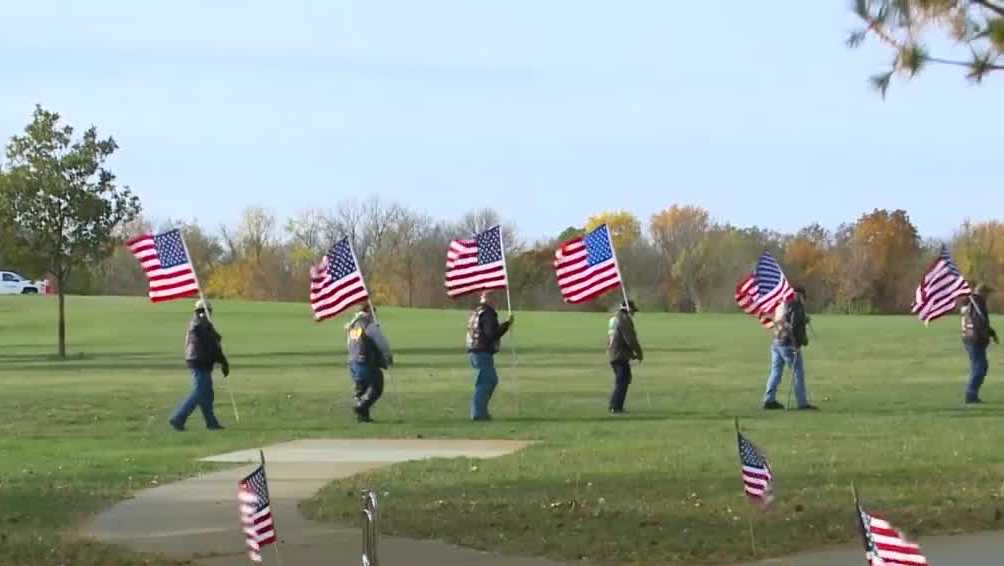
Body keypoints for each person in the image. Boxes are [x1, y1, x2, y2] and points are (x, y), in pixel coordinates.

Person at [170, 299, 229, 431]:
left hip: (202, 361)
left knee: (207, 393)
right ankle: (178, 417)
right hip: (198, 361)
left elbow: (214, 345)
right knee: (200, 391)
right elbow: (213, 346)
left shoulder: (203, 324)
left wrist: (223, 361)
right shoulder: (200, 324)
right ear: (203, 311)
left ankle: (211, 422)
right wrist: (223, 361)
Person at [762, 286, 817, 411]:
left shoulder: (783, 302)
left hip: (777, 342)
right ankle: (802, 403)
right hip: (789, 344)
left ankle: (769, 400)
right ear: (801, 296)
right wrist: (798, 344)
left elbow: (784, 321)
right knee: (798, 373)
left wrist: (804, 320)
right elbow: (794, 327)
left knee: (775, 372)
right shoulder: (797, 305)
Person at [466, 292, 513, 421]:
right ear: (490, 300)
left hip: (475, 351)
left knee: (491, 380)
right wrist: (506, 325)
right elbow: (491, 334)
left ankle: (481, 411)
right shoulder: (488, 313)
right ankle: (478, 413)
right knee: (485, 382)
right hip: (482, 352)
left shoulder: (477, 311)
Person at [345, 303, 394, 422]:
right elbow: (382, 343)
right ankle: (361, 407)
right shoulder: (369, 325)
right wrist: (388, 357)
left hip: (353, 363)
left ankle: (363, 416)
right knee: (377, 386)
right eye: (373, 311)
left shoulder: (353, 325)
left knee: (362, 389)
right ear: (369, 311)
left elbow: (349, 345)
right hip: (365, 362)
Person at [961, 283, 998, 404]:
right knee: (980, 367)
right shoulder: (977, 303)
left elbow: (981, 322)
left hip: (969, 338)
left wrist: (991, 333)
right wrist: (985, 335)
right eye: (987, 293)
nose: (988, 296)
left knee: (979, 366)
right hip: (975, 340)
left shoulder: (970, 303)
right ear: (982, 293)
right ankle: (970, 395)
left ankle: (971, 393)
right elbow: (979, 323)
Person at [607, 299, 644, 414]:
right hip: (619, 355)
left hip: (614, 354)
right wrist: (638, 353)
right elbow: (630, 339)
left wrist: (631, 354)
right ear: (628, 309)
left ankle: (615, 405)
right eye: (633, 311)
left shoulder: (614, 318)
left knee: (624, 379)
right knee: (623, 380)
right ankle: (615, 406)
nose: (633, 314)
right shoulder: (624, 319)